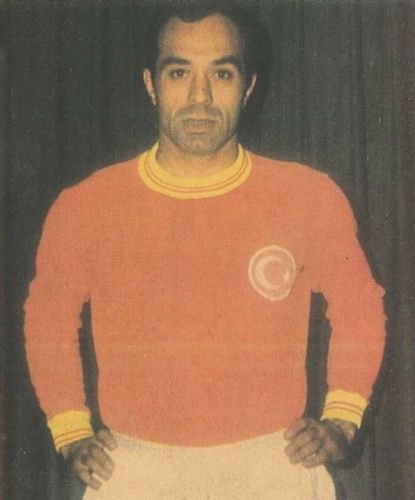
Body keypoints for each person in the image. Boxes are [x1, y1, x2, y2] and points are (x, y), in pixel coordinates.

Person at [24, 2, 386, 499]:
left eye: (221, 73)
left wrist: (342, 418)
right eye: (179, 73)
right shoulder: (87, 205)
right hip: (134, 471)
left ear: (248, 86)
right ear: (151, 84)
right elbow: (48, 319)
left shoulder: (309, 196)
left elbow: (359, 309)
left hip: (274, 467)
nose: (200, 96)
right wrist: (69, 430)